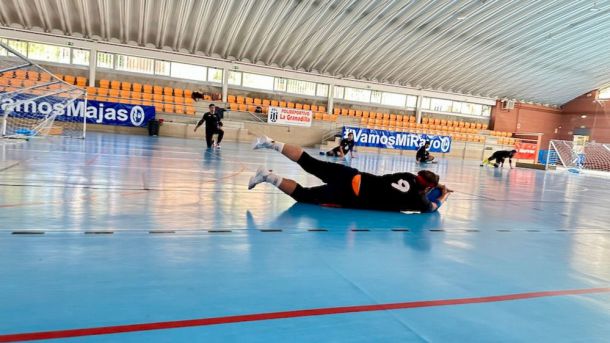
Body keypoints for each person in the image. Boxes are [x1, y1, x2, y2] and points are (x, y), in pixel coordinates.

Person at [249, 136, 452, 213]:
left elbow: (415, 187)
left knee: (308, 162)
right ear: (427, 188)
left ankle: (270, 142)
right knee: (303, 195)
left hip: (353, 175)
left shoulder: (407, 175)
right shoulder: (418, 200)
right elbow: (432, 207)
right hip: (350, 194)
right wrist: (444, 194)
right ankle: (266, 175)